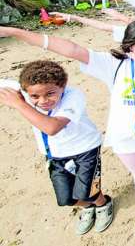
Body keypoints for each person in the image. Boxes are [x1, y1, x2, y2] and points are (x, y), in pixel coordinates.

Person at [0, 21, 135, 240]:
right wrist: (14, 31)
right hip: (123, 137)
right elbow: (71, 49)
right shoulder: (114, 64)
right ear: (129, 46)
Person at [0, 61, 114, 236]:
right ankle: (88, 208)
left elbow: (52, 128)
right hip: (54, 155)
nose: (43, 101)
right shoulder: (26, 90)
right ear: (26, 90)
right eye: (35, 96)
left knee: (89, 192)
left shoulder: (74, 96)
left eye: (50, 94)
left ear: (63, 87)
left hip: (85, 150)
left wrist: (20, 104)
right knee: (66, 199)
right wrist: (23, 98)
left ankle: (102, 204)